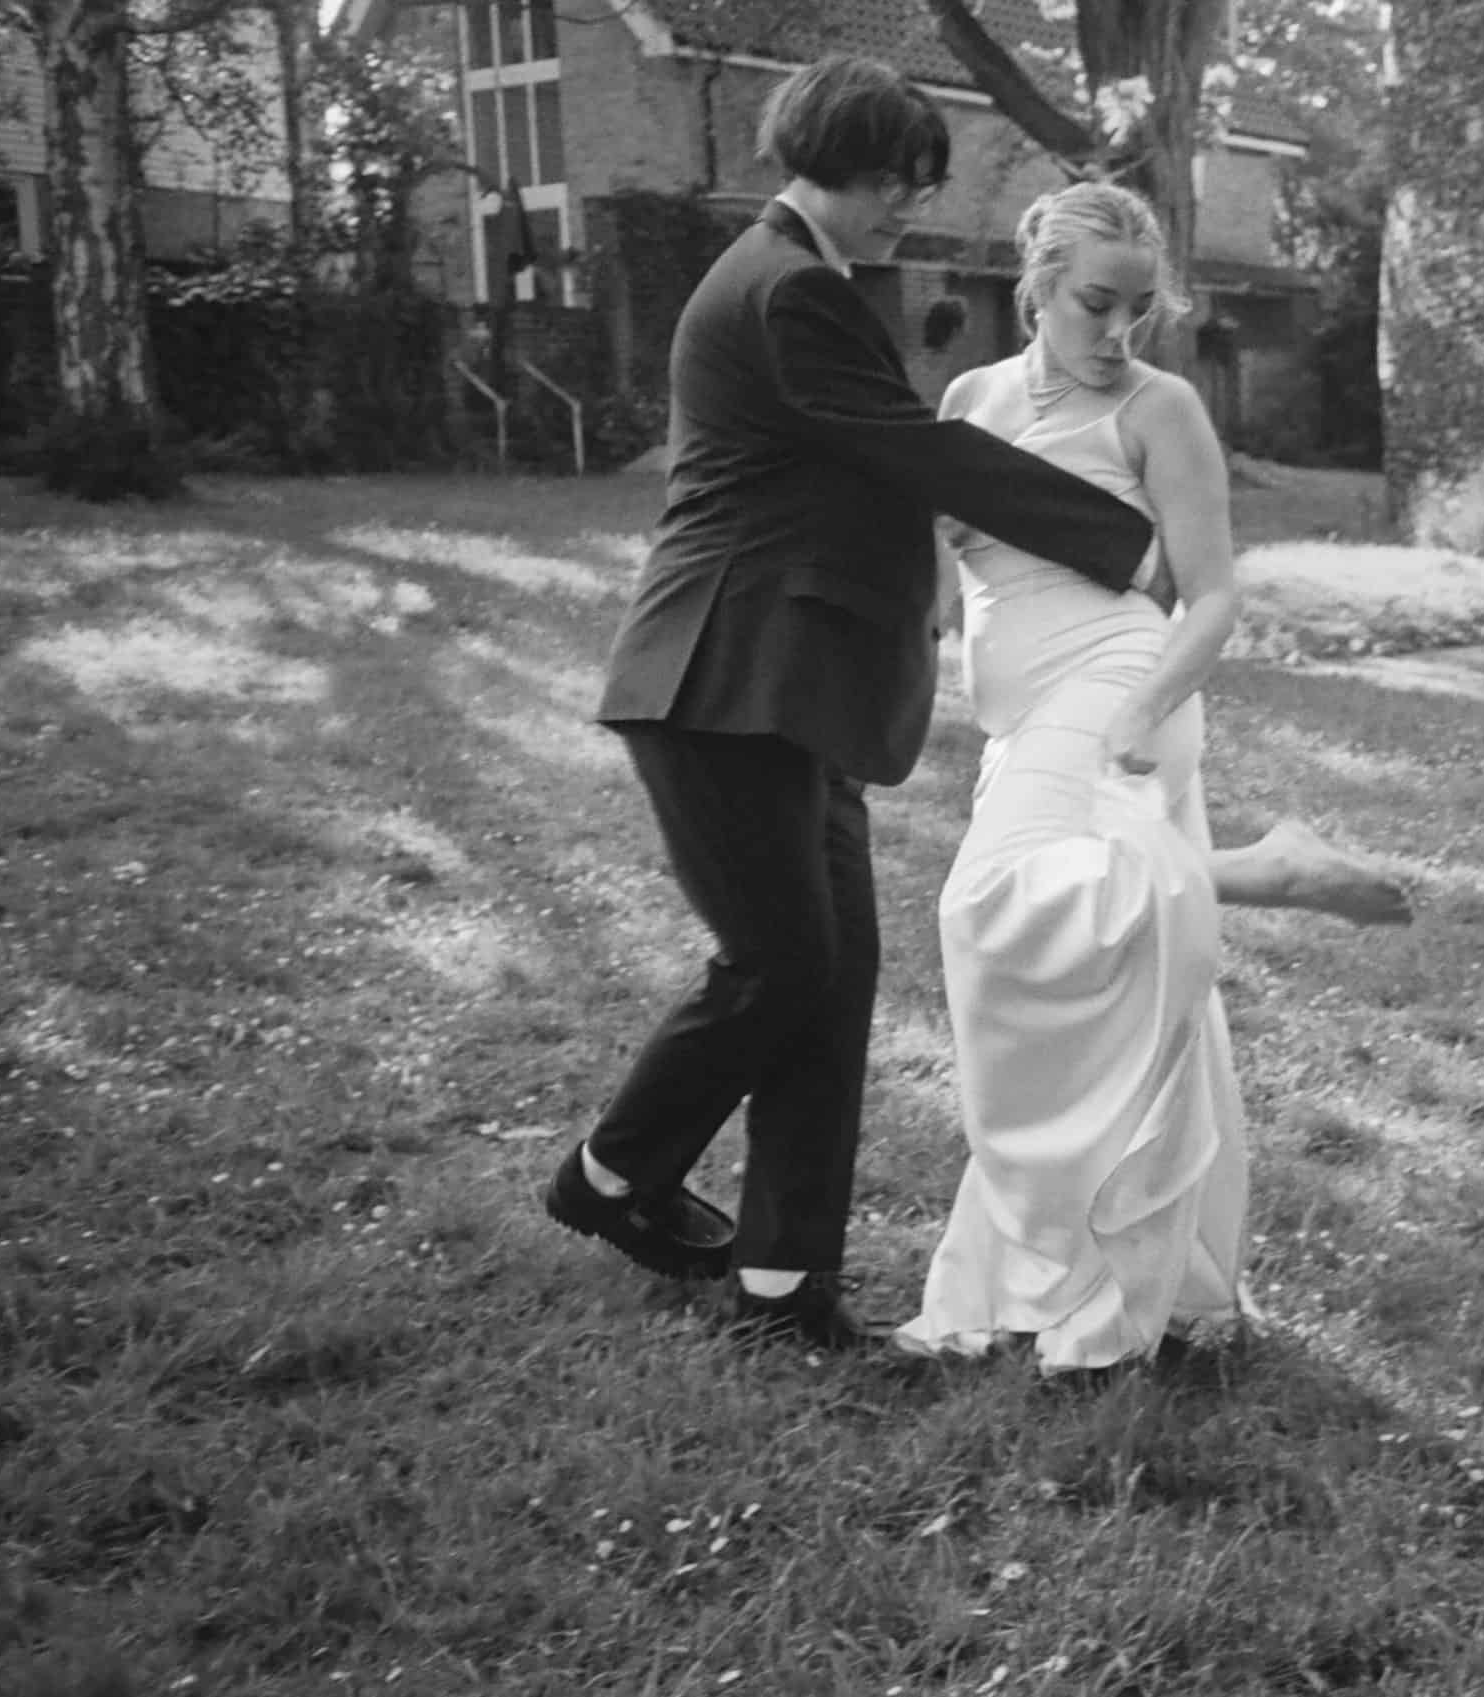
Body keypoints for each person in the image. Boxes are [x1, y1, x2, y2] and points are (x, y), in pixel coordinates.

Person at [545, 57, 1165, 1352]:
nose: (907, 207)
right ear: (853, 165)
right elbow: (917, 450)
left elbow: (866, 471)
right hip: (719, 681)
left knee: (830, 980)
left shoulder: (796, 281)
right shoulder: (786, 291)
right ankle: (611, 1176)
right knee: (779, 966)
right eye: (901, 182)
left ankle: (784, 1288)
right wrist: (1128, 544)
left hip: (786, 688)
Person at [894, 182, 1403, 1375]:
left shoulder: (1159, 407)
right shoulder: (970, 401)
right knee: (1118, 992)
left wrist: (1141, 707)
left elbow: (1213, 593)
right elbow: (939, 581)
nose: (1115, 330)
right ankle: (1094, 1288)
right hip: (1018, 719)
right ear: (1033, 282)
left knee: (992, 907)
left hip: (1121, 684)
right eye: (1092, 302)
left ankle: (1259, 869)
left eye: (1136, 307)